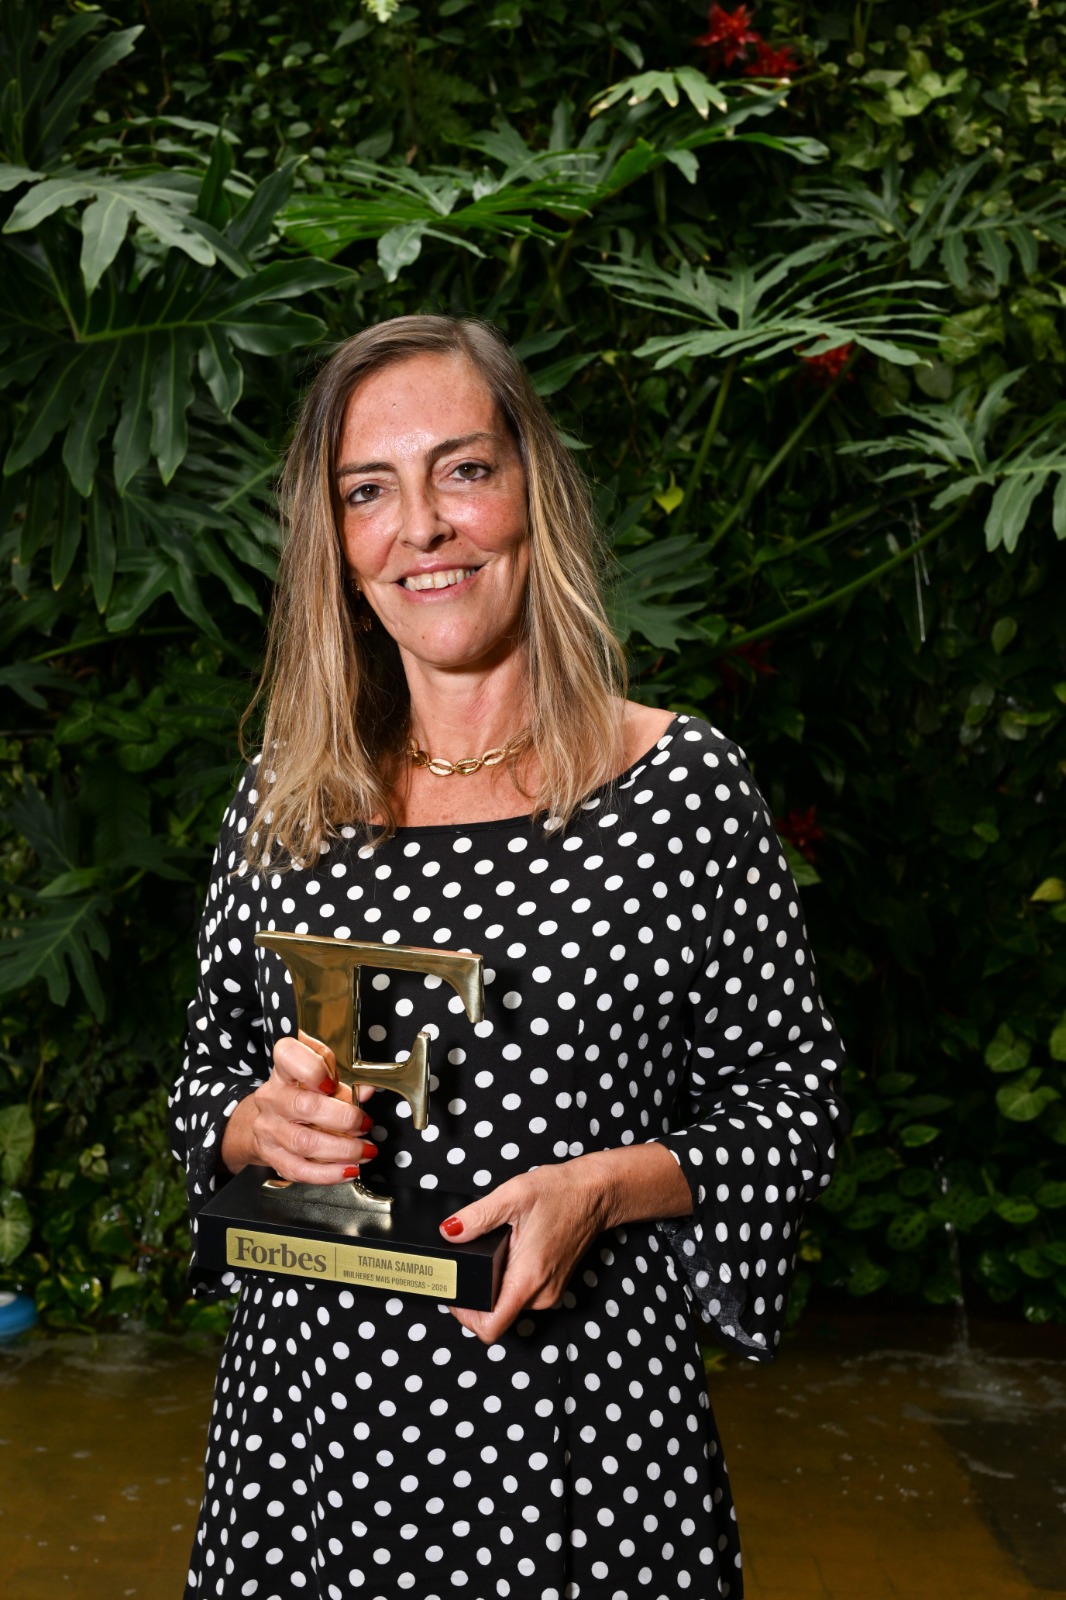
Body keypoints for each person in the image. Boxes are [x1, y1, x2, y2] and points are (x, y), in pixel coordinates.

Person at [170, 314, 848, 1600]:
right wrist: (255, 1126)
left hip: (579, 1443)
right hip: (307, 1443)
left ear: (535, 490)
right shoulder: (286, 797)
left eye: (463, 470)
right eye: (368, 491)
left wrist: (603, 1186)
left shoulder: (678, 789)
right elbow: (203, 1084)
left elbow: (793, 1108)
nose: (421, 526)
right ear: (336, 546)